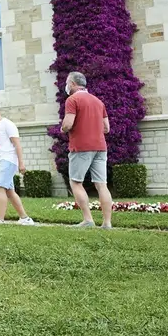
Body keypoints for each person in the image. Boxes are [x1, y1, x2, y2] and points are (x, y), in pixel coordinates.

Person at [62, 71, 113, 229]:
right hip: (100, 146)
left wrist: (63, 128)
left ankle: (88, 220)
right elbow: (107, 128)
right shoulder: (98, 101)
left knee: (76, 182)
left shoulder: (72, 99)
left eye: (67, 83)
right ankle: (107, 223)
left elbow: (68, 124)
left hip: (81, 147)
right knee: (101, 185)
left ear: (72, 84)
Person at [0, 100, 34, 225]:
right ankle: (25, 218)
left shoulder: (8, 124)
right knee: (9, 191)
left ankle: (0, 218)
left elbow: (17, 144)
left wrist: (21, 163)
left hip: (8, 160)